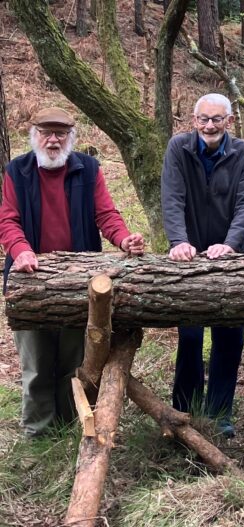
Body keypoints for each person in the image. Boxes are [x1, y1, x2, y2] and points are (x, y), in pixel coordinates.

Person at [1, 107, 145, 438]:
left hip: (78, 281)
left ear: (71, 137)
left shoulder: (88, 169)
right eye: (46, 133)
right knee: (37, 365)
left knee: (72, 360)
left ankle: (68, 428)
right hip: (30, 281)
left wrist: (124, 239)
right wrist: (20, 250)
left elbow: (106, 213)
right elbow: (7, 220)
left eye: (60, 133)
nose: (53, 140)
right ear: (34, 135)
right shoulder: (17, 171)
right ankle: (38, 431)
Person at [161, 93, 244, 438]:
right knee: (189, 336)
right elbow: (172, 198)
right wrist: (179, 242)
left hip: (232, 258)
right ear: (194, 120)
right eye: (203, 119)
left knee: (229, 336)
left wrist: (229, 245)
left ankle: (220, 417)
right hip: (188, 257)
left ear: (229, 121)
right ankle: (183, 412)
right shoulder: (179, 148)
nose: (209, 126)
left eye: (217, 119)